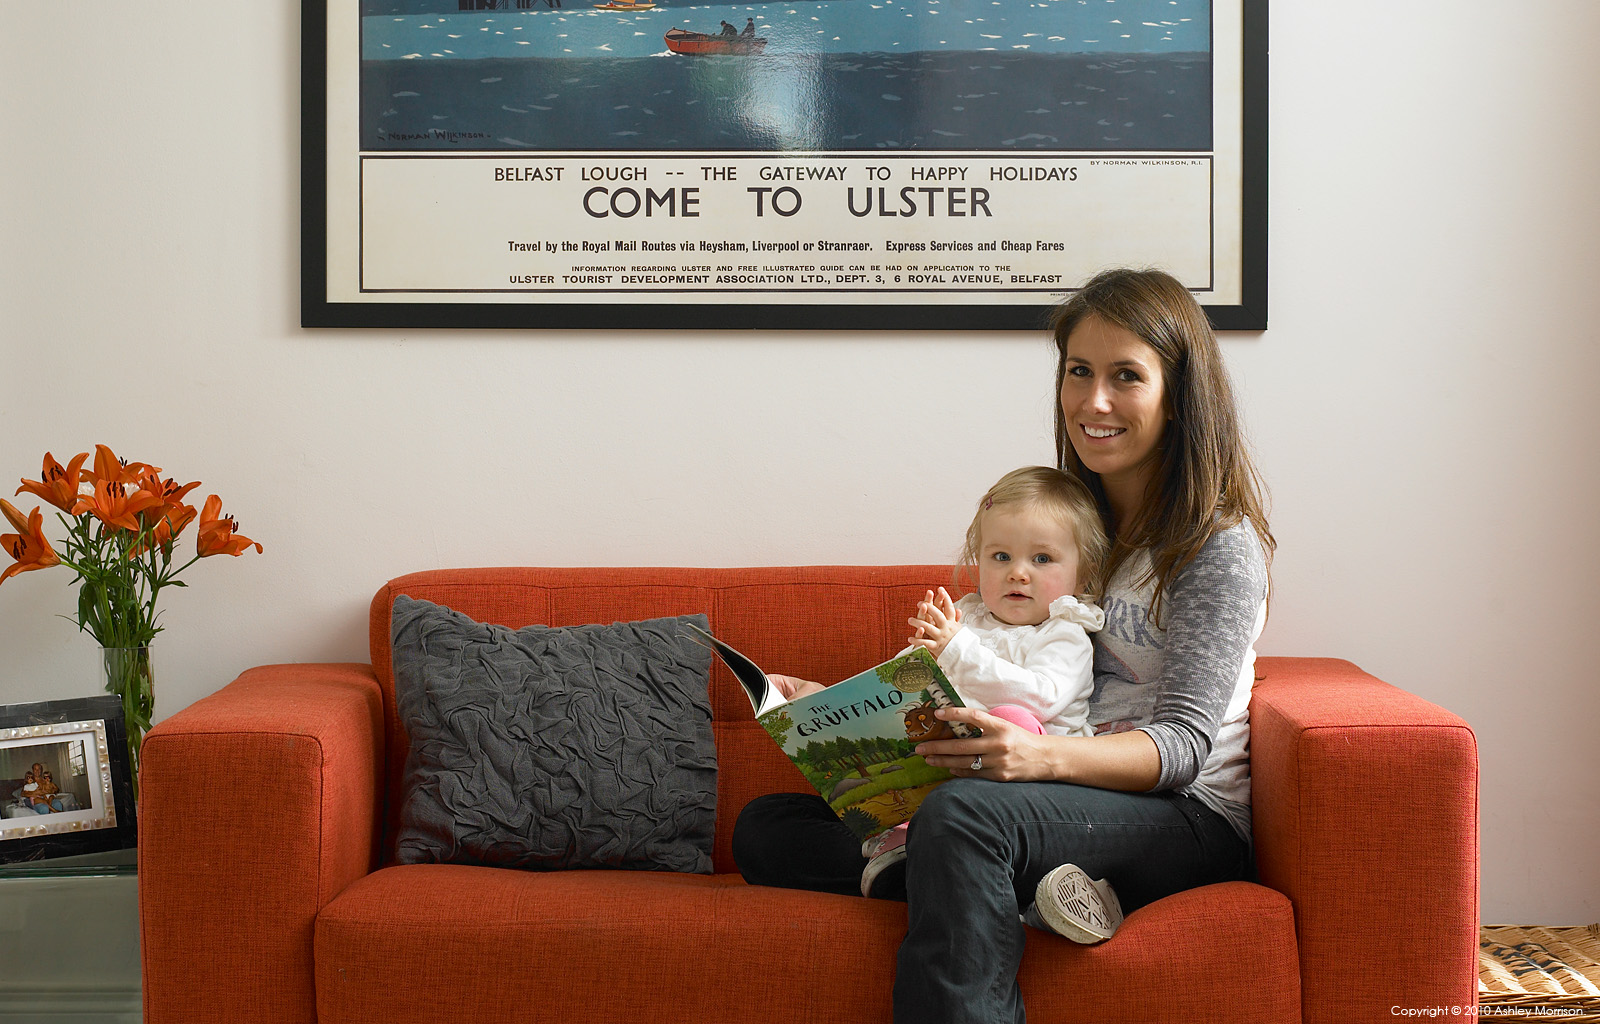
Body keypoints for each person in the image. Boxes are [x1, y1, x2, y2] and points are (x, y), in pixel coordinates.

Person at [732, 267, 1272, 1024]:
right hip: (1052, 798)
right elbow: (988, 669)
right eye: (1079, 372)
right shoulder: (1065, 533)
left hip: (1183, 815)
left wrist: (1030, 758)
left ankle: (964, 867)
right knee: (766, 827)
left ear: (1178, 395)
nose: (1095, 402)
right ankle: (1008, 887)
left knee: (963, 819)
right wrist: (843, 711)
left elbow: (1183, 745)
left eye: (1126, 377)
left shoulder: (1215, 545)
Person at [855, 465, 1109, 897]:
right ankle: (912, 857)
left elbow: (1041, 699)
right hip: (940, 773)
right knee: (772, 818)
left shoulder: (1064, 633)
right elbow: (902, 684)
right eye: (1001, 556)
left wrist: (956, 650)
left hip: (1027, 796)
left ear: (1082, 575)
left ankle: (940, 857)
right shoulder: (965, 616)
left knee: (1013, 718)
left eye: (1042, 559)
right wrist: (914, 659)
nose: (1018, 573)